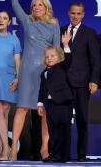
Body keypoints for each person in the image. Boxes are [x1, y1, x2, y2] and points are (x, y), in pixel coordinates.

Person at [10, 0, 60, 161]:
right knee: (22, 109)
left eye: (40, 5)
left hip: (45, 72)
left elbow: (55, 51)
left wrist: (53, 71)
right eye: (34, 5)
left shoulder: (54, 24)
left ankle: (45, 148)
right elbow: (15, 4)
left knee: (45, 112)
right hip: (28, 71)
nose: (37, 7)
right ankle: (13, 149)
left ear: (46, 7)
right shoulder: (28, 21)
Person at [60, 1, 101, 162]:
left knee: (82, 118)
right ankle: (64, 153)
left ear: (83, 15)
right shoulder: (61, 30)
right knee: (63, 119)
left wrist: (94, 80)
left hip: (83, 83)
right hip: (63, 83)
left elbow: (96, 60)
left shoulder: (90, 33)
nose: (75, 16)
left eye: (78, 13)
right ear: (68, 13)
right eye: (73, 13)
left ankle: (82, 154)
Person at [0, 10, 21, 160]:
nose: (1, 20)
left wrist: (18, 77)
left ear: (9, 22)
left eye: (5, 18)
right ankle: (7, 148)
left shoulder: (14, 39)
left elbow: (17, 60)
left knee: (5, 112)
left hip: (8, 78)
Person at [37, 33, 73, 163]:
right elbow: (42, 89)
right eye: (47, 57)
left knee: (63, 129)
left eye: (52, 56)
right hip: (50, 104)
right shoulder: (43, 73)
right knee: (53, 130)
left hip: (62, 103)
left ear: (59, 57)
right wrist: (40, 104)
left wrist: (65, 45)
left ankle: (63, 155)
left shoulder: (62, 66)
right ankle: (54, 154)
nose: (49, 58)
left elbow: (69, 59)